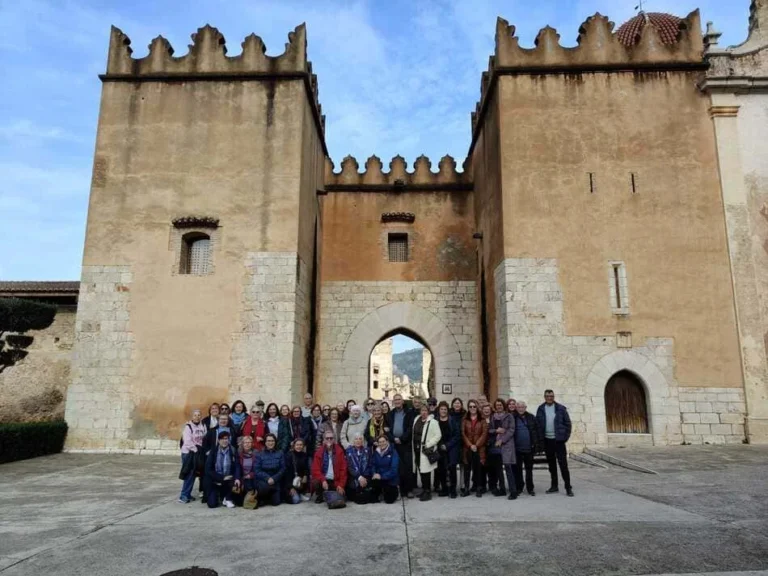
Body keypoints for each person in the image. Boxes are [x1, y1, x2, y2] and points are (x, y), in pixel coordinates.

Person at [536, 389, 574, 497]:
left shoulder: (561, 409)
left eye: (551, 396)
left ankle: (568, 487)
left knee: (563, 465)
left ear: (554, 397)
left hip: (559, 441)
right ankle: (554, 486)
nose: (549, 398)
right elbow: (538, 425)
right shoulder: (541, 409)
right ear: (544, 397)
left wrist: (564, 437)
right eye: (547, 396)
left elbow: (568, 424)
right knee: (551, 465)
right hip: (547, 441)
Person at [412, 404, 442, 502]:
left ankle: (428, 492)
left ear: (428, 412)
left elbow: (438, 435)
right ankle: (424, 490)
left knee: (426, 471)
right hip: (416, 449)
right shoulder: (417, 420)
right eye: (422, 410)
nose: (423, 412)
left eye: (425, 410)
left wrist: (428, 444)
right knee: (420, 469)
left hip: (425, 450)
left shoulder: (433, 422)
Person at [204, 430, 240, 508]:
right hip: (215, 480)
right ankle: (219, 495)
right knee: (212, 504)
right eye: (222, 439)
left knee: (238, 499)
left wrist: (237, 478)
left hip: (228, 480)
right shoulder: (213, 451)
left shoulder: (233, 450)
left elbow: (237, 465)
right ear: (219, 440)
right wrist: (222, 477)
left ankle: (227, 498)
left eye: (226, 439)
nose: (225, 441)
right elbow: (208, 469)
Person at [489, 399, 517, 500]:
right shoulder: (493, 417)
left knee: (508, 467)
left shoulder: (509, 416)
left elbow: (511, 430)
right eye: (497, 405)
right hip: (496, 445)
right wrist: (496, 430)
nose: (499, 406)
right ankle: (502, 489)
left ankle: (513, 491)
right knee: (498, 469)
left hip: (507, 444)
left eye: (500, 405)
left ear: (503, 406)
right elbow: (490, 429)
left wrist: (502, 440)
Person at [387, 393, 414, 498]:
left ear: (403, 401)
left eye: (399, 399)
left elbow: (410, 427)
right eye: (395, 399)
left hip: (405, 444)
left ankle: (409, 490)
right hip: (394, 444)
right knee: (397, 467)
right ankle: (400, 490)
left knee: (407, 467)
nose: (397, 401)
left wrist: (402, 439)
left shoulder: (409, 413)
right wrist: (393, 439)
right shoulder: (390, 414)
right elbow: (387, 428)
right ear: (393, 402)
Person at [311, 430, 348, 503]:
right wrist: (323, 480)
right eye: (327, 438)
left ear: (334, 439)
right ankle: (320, 495)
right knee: (315, 481)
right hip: (323, 480)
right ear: (324, 440)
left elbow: (343, 470)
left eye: (331, 438)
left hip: (335, 481)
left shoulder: (339, 451)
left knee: (340, 498)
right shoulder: (319, 452)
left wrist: (341, 485)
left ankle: (330, 493)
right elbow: (315, 470)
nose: (329, 440)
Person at [179, 408, 206, 503]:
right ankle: (183, 496)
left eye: (199, 415)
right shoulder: (188, 427)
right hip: (189, 453)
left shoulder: (202, 426)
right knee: (188, 474)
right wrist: (195, 450)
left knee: (194, 474)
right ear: (192, 416)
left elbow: (203, 438)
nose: (197, 417)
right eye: (195, 415)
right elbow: (187, 441)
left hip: (197, 453)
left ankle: (188, 494)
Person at [514, 400, 541, 496]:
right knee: (518, 470)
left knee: (529, 470)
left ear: (525, 408)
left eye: (522, 407)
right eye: (519, 407)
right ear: (516, 408)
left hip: (529, 449)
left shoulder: (531, 417)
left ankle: (530, 488)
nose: (521, 409)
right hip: (517, 449)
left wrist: (537, 445)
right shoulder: (513, 417)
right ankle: (519, 487)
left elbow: (537, 431)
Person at [461, 399, 487, 498]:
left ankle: (478, 488)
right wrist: (470, 445)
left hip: (479, 448)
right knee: (467, 469)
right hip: (467, 448)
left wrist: (476, 445)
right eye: (470, 406)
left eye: (474, 406)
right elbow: (463, 433)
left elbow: (484, 433)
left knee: (478, 469)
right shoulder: (465, 419)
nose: (472, 408)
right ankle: (467, 488)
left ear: (477, 407)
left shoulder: (482, 419)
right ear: (468, 408)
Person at [434, 401, 461, 498]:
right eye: (441, 409)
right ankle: (444, 488)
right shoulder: (435, 420)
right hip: (439, 447)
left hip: (451, 447)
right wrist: (439, 445)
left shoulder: (452, 420)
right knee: (441, 469)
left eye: (445, 409)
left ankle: (453, 490)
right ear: (439, 410)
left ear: (447, 410)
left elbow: (457, 435)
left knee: (452, 468)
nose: (443, 411)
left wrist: (448, 445)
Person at [371, 434, 400, 504]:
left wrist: (381, 476)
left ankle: (397, 490)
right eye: (380, 442)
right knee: (373, 499)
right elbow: (373, 465)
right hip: (379, 479)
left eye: (383, 441)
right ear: (378, 443)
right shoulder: (376, 452)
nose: (382, 443)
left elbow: (394, 470)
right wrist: (374, 473)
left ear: (387, 442)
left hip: (390, 479)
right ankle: (381, 491)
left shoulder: (393, 452)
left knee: (389, 500)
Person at [345, 433, 373, 504]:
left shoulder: (367, 450)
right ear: (353, 441)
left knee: (366, 496)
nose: (358, 441)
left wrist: (364, 478)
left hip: (365, 478)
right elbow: (349, 467)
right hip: (354, 478)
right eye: (356, 439)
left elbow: (370, 465)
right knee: (352, 497)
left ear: (362, 441)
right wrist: (359, 477)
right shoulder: (348, 451)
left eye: (360, 439)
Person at [284, 438, 310, 504]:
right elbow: (286, 473)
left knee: (308, 477)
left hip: (299, 482)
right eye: (297, 445)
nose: (299, 446)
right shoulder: (289, 455)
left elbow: (306, 468)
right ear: (294, 445)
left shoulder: (305, 455)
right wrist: (291, 487)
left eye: (301, 445)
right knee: (295, 500)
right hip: (290, 482)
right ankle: (296, 494)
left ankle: (300, 493)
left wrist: (305, 475)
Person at [236, 435, 258, 506]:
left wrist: (250, 475)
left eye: (249, 442)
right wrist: (238, 477)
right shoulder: (239, 453)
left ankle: (250, 498)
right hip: (242, 477)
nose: (247, 444)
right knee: (239, 502)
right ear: (242, 444)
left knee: (249, 483)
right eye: (245, 442)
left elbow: (257, 468)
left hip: (252, 477)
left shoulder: (256, 453)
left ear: (252, 444)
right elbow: (237, 467)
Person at [480, 403, 494, 494]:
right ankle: (483, 485)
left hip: (492, 446)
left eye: (488, 409)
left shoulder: (494, 419)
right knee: (482, 466)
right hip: (482, 446)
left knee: (492, 467)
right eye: (485, 409)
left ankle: (492, 485)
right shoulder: (480, 420)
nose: (486, 411)